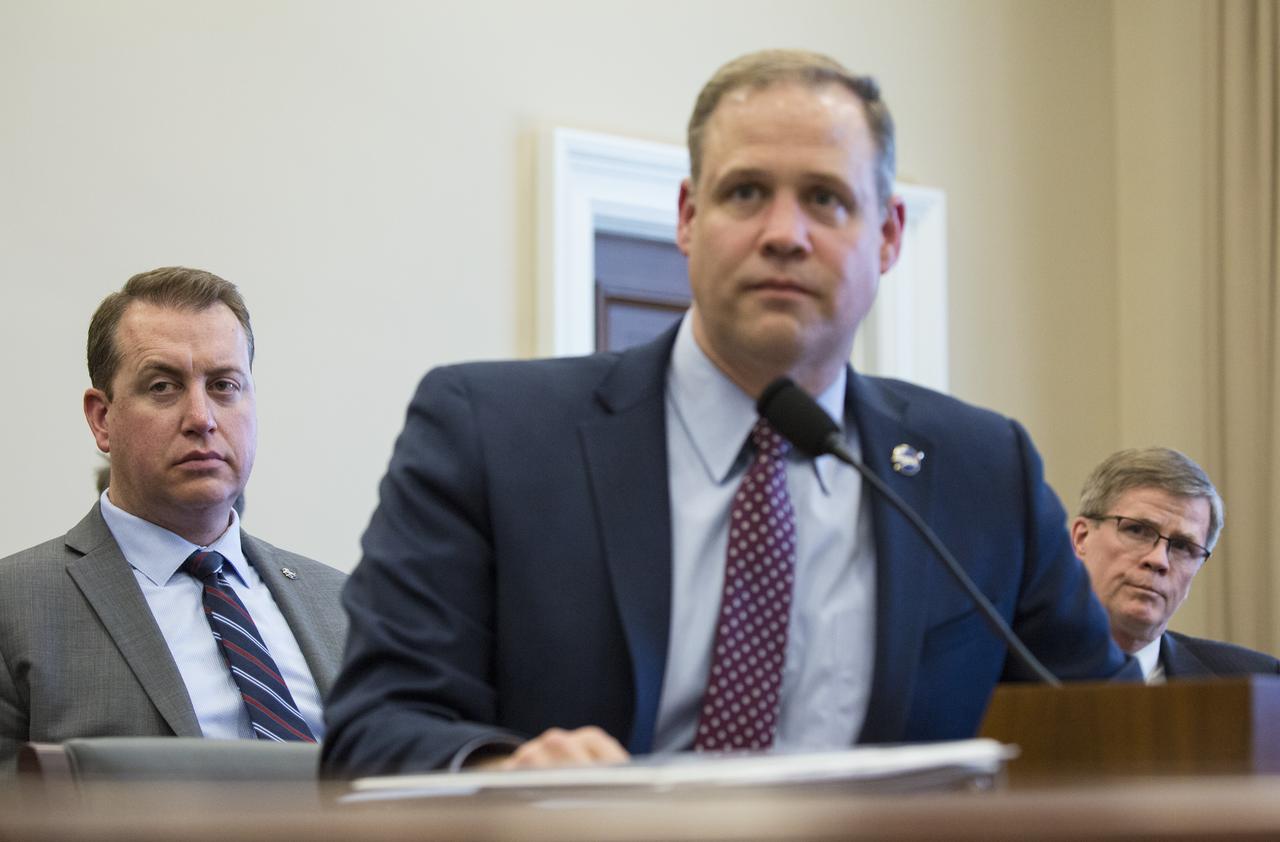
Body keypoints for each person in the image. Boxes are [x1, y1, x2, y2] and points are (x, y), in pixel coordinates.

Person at [321, 49, 1127, 778]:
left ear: (886, 235)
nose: (785, 234)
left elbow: (1119, 733)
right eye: (746, 193)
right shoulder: (489, 432)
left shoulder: (983, 471)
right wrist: (505, 776)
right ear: (687, 217)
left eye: (825, 198)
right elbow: (374, 729)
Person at [0, 267, 348, 775]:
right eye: (163, 387)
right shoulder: (16, 607)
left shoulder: (343, 604)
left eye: (225, 385)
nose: (201, 417)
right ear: (102, 418)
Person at [1071, 447, 1279, 681]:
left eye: (1181, 546)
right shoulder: (1022, 671)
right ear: (1081, 538)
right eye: (1137, 530)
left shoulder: (1258, 680)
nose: (1159, 560)